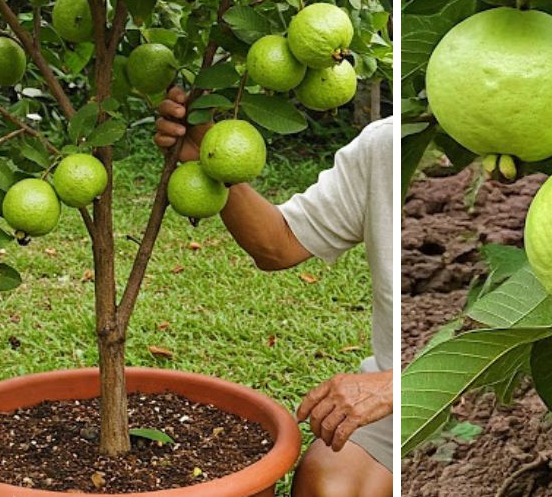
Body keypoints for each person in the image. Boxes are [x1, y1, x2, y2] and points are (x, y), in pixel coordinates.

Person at [154, 88, 394, 496]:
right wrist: (209, 163)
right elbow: (278, 244)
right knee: (330, 488)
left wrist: (394, 386)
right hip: (397, 395)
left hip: (406, 384)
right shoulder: (386, 148)